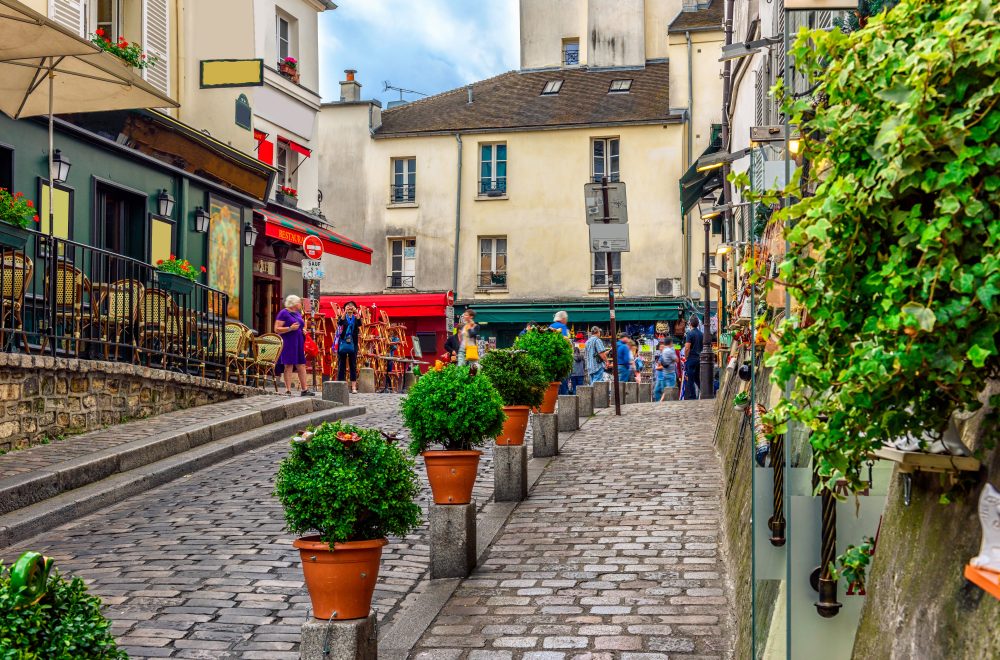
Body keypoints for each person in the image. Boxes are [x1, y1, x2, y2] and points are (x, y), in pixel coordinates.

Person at [274, 295, 315, 397]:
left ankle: (304, 389)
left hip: (298, 342)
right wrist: (289, 328)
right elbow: (276, 329)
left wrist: (303, 330)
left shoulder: (297, 313)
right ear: (294, 304)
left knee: (301, 364)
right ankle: (288, 390)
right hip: (288, 342)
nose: (300, 304)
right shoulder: (283, 313)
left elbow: (301, 325)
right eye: (299, 302)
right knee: (288, 365)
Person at [336, 301, 361, 393]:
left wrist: (356, 312)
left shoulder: (355, 318)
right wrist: (344, 312)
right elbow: (340, 323)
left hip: (353, 343)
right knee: (341, 364)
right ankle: (341, 386)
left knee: (353, 365)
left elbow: (360, 323)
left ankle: (353, 387)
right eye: (348, 306)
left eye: (352, 306)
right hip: (342, 343)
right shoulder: (343, 317)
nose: (350, 307)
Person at [683, 315, 704, 400]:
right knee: (697, 378)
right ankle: (704, 391)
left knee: (690, 379)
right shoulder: (701, 334)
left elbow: (687, 347)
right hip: (699, 359)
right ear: (698, 324)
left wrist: (686, 357)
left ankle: (692, 397)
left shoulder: (690, 334)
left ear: (690, 324)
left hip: (691, 358)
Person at [653, 337, 679, 402]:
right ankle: (661, 402)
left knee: (664, 390)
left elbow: (660, 363)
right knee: (669, 390)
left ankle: (660, 401)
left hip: (664, 373)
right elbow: (677, 360)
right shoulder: (670, 351)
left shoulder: (664, 351)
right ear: (670, 343)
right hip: (670, 373)